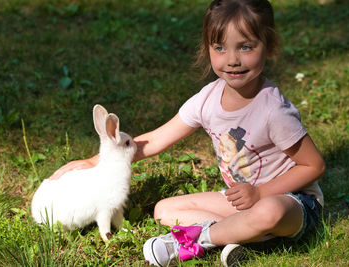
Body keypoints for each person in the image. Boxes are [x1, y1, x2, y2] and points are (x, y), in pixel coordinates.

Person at [50, 0, 325, 266]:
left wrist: (260, 193)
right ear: (207, 49)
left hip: (292, 202)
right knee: (164, 210)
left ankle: (198, 239)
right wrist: (93, 162)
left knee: (269, 211)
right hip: (242, 202)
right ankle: (239, 237)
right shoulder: (207, 100)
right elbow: (157, 139)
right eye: (220, 47)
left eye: (245, 47)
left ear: (269, 46)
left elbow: (313, 165)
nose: (232, 60)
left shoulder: (273, 110)